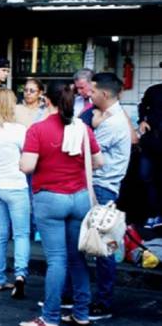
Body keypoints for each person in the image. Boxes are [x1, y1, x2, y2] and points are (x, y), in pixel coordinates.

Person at [19, 82, 103, 326]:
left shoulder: (38, 130)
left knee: (57, 259)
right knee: (78, 259)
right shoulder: (83, 128)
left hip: (50, 199)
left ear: (47, 101)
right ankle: (82, 313)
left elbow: (27, 166)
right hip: (80, 198)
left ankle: (51, 317)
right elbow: (99, 161)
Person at [83, 73, 131, 321]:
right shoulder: (110, 117)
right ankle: (84, 297)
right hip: (104, 186)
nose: (89, 95)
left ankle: (102, 303)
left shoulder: (112, 123)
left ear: (104, 93)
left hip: (102, 187)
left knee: (102, 247)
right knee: (92, 245)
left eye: (92, 91)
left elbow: (90, 158)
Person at [0, 88, 30, 298]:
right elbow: (28, 156)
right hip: (15, 186)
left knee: (0, 234)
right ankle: (20, 276)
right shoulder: (19, 130)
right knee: (21, 234)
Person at [138, 76, 162, 229]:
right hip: (151, 143)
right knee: (146, 176)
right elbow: (142, 106)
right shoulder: (153, 90)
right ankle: (153, 214)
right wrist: (142, 120)